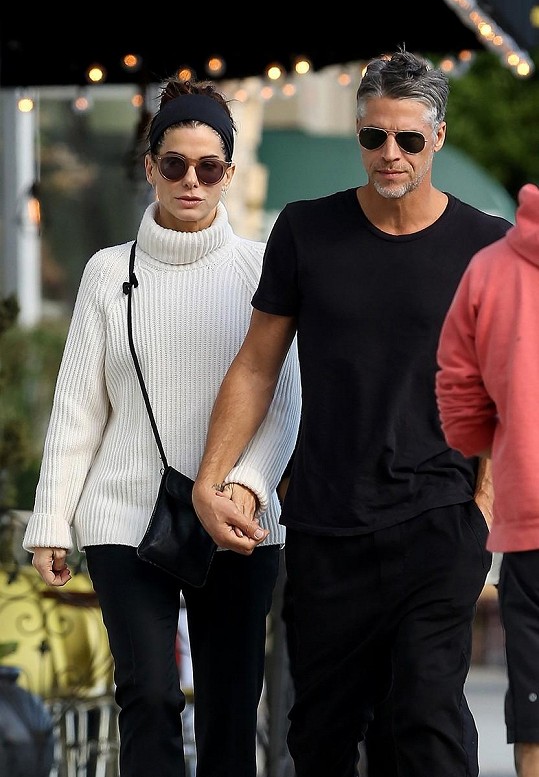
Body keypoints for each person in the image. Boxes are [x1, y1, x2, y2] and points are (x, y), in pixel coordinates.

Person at [191, 48, 513, 777]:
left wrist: (484, 507)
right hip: (327, 524)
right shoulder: (307, 229)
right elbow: (256, 364)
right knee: (322, 735)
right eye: (374, 135)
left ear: (437, 136)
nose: (389, 153)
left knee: (425, 721)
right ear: (357, 133)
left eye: (408, 138)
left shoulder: (485, 245)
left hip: (439, 519)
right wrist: (211, 478)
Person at [22, 76, 301, 777]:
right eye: (174, 164)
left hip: (235, 517)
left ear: (228, 173)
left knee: (230, 708)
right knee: (147, 694)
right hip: (124, 512)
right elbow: (78, 409)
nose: (191, 181)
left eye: (209, 167)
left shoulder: (261, 267)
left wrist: (246, 485)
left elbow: (285, 399)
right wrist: (52, 520)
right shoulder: (105, 273)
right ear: (150, 166)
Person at [436, 182, 539, 777]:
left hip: (530, 524)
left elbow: (458, 388)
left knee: (534, 716)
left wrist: (500, 451)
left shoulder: (493, 266)